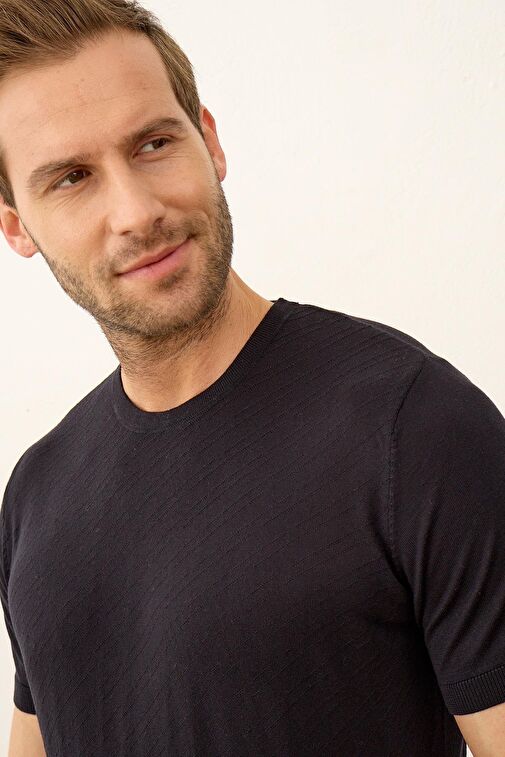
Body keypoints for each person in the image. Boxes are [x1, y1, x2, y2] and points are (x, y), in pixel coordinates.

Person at [0, 1, 503, 756]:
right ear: (16, 224)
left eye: (153, 144)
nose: (135, 212)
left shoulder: (416, 430)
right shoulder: (36, 494)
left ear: (209, 141)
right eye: (72, 178)